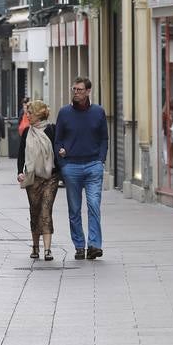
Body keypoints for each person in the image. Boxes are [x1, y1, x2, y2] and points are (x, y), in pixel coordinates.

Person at [56, 76, 108, 260]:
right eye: (74, 89)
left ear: (88, 91)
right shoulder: (64, 113)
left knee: (94, 205)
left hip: (93, 164)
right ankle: (79, 245)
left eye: (79, 90)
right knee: (74, 208)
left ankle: (94, 245)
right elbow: (58, 139)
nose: (76, 93)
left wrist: (101, 159)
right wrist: (63, 163)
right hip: (72, 166)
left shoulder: (98, 112)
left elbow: (104, 138)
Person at [16, 100, 60, 261]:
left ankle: (48, 250)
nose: (27, 115)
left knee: (46, 211)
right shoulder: (27, 132)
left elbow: (57, 150)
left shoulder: (52, 130)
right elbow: (21, 154)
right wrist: (19, 172)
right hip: (32, 178)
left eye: (30, 113)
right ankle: (35, 247)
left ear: (39, 114)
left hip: (51, 177)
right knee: (35, 211)